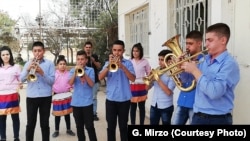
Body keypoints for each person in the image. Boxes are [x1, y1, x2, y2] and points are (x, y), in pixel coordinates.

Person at [181, 23, 240, 125]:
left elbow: (215, 92)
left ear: (223, 40)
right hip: (197, 116)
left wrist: (195, 70)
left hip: (217, 120)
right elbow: (188, 79)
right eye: (206, 40)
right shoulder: (204, 59)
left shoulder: (229, 64)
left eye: (210, 40)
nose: (206, 44)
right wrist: (181, 67)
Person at [99, 40, 135, 141]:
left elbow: (133, 79)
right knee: (111, 127)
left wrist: (122, 67)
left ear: (123, 51)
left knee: (123, 127)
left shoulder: (128, 63)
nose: (116, 53)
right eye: (114, 50)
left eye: (119, 50)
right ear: (112, 50)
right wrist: (108, 66)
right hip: (111, 100)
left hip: (124, 100)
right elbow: (100, 77)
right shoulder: (107, 63)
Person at [20, 41, 55, 141]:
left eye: (39, 51)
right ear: (32, 52)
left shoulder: (49, 64)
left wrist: (42, 72)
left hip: (45, 97)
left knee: (44, 124)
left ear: (43, 51)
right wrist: (27, 69)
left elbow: (52, 81)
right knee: (30, 124)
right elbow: (21, 79)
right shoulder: (28, 63)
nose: (37, 53)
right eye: (35, 51)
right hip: (31, 97)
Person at [172, 30, 203, 125]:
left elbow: (197, 80)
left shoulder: (203, 61)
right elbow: (184, 80)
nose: (187, 46)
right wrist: (178, 66)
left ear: (199, 43)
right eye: (186, 43)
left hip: (195, 103)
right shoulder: (186, 60)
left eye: (190, 43)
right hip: (182, 101)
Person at [68, 50, 97, 141]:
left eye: (82, 59)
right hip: (76, 103)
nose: (80, 61)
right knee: (79, 127)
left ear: (86, 60)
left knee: (89, 126)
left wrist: (84, 74)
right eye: (78, 59)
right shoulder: (73, 70)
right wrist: (75, 73)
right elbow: (70, 83)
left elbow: (92, 84)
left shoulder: (91, 70)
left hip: (87, 103)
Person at [146, 49, 176, 125]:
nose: (159, 62)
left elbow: (169, 92)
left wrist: (158, 80)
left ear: (169, 61)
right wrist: (149, 79)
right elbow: (146, 89)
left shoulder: (173, 73)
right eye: (159, 59)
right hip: (154, 104)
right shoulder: (157, 71)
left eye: (162, 60)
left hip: (166, 106)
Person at [0, 46, 23, 141]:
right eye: (3, 55)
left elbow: (20, 80)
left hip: (13, 94)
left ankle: (16, 137)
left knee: (15, 117)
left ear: (10, 55)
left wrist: (20, 84)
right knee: (2, 118)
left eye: (7, 54)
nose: (6, 56)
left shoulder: (16, 67)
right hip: (1, 96)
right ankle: (3, 138)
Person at [51, 55, 75, 138]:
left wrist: (72, 89)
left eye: (64, 64)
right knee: (57, 115)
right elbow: (51, 84)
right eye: (60, 64)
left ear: (66, 65)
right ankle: (56, 130)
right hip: (56, 97)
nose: (62, 65)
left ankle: (68, 129)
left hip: (67, 96)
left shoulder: (69, 74)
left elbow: (72, 84)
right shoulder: (54, 74)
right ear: (57, 65)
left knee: (67, 114)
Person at [129, 43, 151, 125]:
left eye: (137, 51)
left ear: (140, 52)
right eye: (133, 51)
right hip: (132, 85)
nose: (135, 53)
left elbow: (149, 74)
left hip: (142, 86)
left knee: (142, 107)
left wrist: (148, 84)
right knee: (133, 108)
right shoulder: (130, 61)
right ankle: (133, 124)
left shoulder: (145, 61)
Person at [83, 41, 101, 121]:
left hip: (94, 81)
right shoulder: (82, 57)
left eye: (89, 47)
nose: (88, 49)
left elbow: (99, 67)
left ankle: (93, 113)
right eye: (86, 47)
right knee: (85, 97)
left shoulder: (94, 56)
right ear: (84, 48)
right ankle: (85, 113)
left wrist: (93, 60)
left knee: (93, 97)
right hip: (84, 80)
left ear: (92, 48)